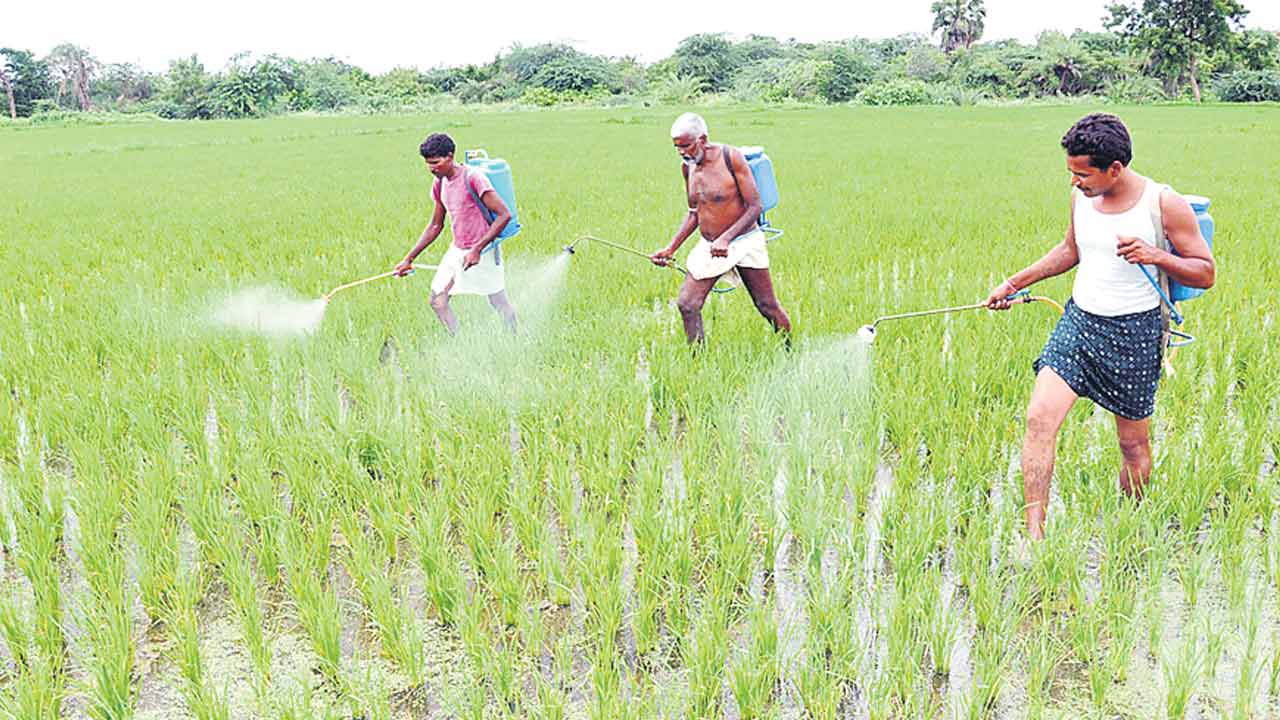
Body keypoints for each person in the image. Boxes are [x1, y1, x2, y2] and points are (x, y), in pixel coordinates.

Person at [985, 113, 1215, 540]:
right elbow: (1070, 250)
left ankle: (1132, 527)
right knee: (1039, 420)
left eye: (1082, 174)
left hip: (1135, 332)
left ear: (1115, 169)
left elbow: (1205, 272)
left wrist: (1156, 255)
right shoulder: (1081, 197)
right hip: (1079, 322)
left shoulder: (1163, 204)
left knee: (1132, 446)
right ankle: (1034, 538)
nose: (1075, 182)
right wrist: (1014, 284)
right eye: (1071, 173)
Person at [650, 112, 791, 344]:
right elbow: (694, 213)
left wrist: (726, 239)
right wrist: (670, 248)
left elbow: (755, 206)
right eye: (677, 147)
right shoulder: (688, 167)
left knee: (766, 305)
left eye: (686, 145)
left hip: (745, 241)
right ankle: (698, 363)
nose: (682, 152)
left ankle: (790, 349)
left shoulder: (730, 157)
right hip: (710, 245)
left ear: (702, 139)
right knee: (688, 305)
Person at [394, 133, 518, 334]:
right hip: (457, 250)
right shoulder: (440, 183)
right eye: (428, 163)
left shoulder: (473, 178)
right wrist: (408, 258)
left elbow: (504, 215)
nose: (431, 168)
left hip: (484, 250)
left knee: (498, 302)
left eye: (436, 162)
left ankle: (516, 339)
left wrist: (477, 249)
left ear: (450, 156)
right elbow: (436, 225)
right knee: (437, 301)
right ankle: (460, 341)